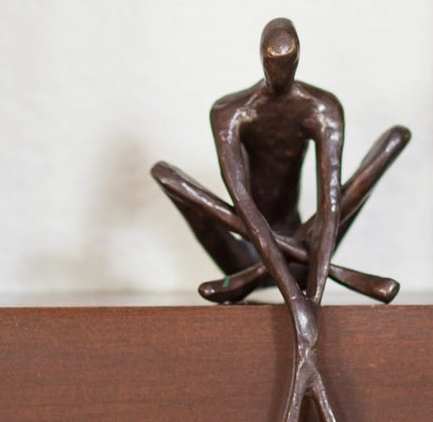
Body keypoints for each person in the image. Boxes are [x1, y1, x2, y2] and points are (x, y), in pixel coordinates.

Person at [151, 17, 408, 306]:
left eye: (287, 64)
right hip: (245, 256)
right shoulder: (231, 111)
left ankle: (289, 256)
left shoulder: (322, 108)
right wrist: (297, 303)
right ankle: (285, 256)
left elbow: (330, 204)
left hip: (309, 250)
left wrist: (311, 298)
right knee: (164, 174)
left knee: (394, 142)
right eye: (272, 64)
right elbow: (244, 205)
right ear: (261, 60)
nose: (279, 74)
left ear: (298, 61)